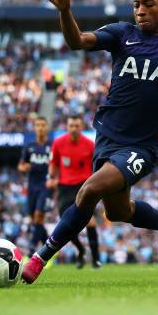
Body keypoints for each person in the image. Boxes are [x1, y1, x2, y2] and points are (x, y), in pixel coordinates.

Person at [22, 0, 158, 283]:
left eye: (148, 4)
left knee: (89, 190)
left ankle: (40, 258)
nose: (140, 10)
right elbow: (77, 41)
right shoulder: (122, 33)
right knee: (118, 212)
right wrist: (65, 10)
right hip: (106, 139)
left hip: (141, 146)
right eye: (136, 5)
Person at [47, 114, 100, 269]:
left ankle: (96, 259)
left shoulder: (90, 144)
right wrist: (51, 177)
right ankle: (81, 250)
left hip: (84, 186)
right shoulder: (58, 143)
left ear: (81, 127)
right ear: (67, 126)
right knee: (67, 223)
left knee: (90, 222)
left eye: (77, 126)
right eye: (71, 125)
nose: (74, 129)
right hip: (64, 188)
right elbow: (54, 163)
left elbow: (97, 165)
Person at [17, 116, 52, 257]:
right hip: (32, 186)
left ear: (47, 127)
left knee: (38, 216)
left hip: (46, 186)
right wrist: (23, 167)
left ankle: (31, 250)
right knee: (35, 220)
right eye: (38, 125)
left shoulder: (53, 145)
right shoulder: (29, 146)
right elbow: (21, 165)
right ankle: (48, 247)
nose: (41, 127)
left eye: (43, 125)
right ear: (35, 128)